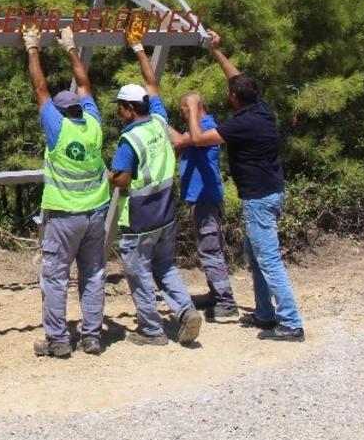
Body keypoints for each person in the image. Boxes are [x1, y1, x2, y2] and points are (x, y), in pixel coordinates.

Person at [182, 30, 304, 342]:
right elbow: (236, 78)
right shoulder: (262, 109)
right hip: (271, 192)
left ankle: (291, 323)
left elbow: (197, 138)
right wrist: (215, 51)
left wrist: (193, 107)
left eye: (230, 92)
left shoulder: (242, 123)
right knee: (255, 255)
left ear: (235, 98)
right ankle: (265, 313)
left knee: (269, 260)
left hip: (259, 199)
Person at [108, 29, 203, 347]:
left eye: (120, 107)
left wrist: (109, 177)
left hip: (140, 219)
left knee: (138, 273)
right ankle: (186, 311)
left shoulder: (129, 139)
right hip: (166, 213)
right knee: (165, 266)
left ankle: (151, 330)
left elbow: (122, 180)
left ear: (129, 108)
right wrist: (138, 47)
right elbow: (152, 85)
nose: (118, 112)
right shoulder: (159, 121)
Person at [22, 24, 110, 358]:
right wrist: (70, 47)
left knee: (56, 278)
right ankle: (92, 337)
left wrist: (32, 48)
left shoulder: (57, 127)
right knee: (93, 274)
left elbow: (39, 88)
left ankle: (58, 340)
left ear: (59, 113)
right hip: (96, 213)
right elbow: (84, 84)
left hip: (64, 216)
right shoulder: (94, 123)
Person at [175, 92, 238, 320]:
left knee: (210, 249)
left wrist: (158, 119)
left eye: (184, 108)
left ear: (195, 106)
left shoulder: (206, 127)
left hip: (206, 198)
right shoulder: (196, 127)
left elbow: (182, 140)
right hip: (200, 198)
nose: (182, 113)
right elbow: (180, 144)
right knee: (207, 247)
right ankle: (215, 293)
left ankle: (225, 301)